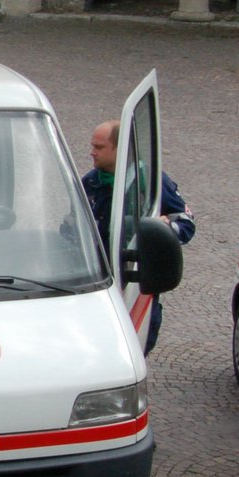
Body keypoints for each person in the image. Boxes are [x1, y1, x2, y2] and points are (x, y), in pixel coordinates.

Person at [82, 119, 195, 355]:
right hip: (96, 281)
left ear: (119, 148)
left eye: (99, 147)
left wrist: (160, 229)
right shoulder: (90, 182)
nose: (91, 153)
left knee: (133, 349)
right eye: (92, 146)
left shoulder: (152, 183)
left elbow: (186, 224)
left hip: (132, 279)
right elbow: (71, 227)